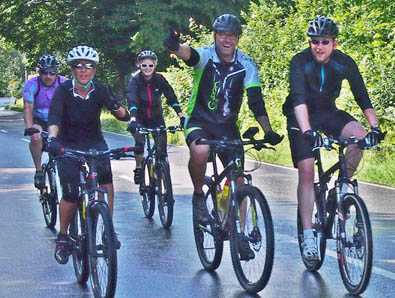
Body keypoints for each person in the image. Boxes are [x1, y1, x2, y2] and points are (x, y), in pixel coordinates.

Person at [164, 14, 282, 259]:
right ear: (215, 36)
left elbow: (256, 101)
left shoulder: (246, 64)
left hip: (227, 127)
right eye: (222, 34)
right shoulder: (206, 56)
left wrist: (268, 131)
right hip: (199, 121)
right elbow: (189, 54)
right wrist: (174, 47)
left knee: (238, 182)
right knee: (200, 150)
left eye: (231, 35)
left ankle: (236, 231)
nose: (226, 39)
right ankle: (199, 195)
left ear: (237, 38)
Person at [282, 15, 384, 261]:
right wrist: (308, 132)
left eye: (324, 41)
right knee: (307, 171)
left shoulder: (344, 62)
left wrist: (374, 128)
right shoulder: (299, 61)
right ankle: (308, 236)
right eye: (314, 41)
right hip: (300, 117)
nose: (318, 46)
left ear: (334, 43)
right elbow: (298, 99)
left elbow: (362, 97)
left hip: (328, 112)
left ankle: (342, 187)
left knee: (359, 137)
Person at [47, 45, 129, 264]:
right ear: (73, 69)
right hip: (67, 145)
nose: (84, 70)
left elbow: (121, 113)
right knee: (72, 194)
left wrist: (123, 112)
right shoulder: (63, 90)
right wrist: (53, 140)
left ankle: (107, 229)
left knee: (107, 183)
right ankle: (63, 236)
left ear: (95, 69)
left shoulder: (100, 89)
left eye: (89, 66)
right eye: (79, 66)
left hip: (95, 143)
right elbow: (54, 118)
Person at [126, 50, 185, 184]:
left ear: (155, 66)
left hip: (156, 117)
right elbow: (132, 100)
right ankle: (139, 168)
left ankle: (162, 180)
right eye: (144, 65)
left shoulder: (159, 79)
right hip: (139, 118)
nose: (147, 68)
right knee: (140, 144)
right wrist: (133, 119)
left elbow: (171, 96)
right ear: (139, 65)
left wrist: (180, 115)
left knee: (161, 152)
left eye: (150, 65)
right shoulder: (135, 80)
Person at [22, 54, 67, 188]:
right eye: (44, 72)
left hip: (59, 119)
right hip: (39, 119)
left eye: (52, 72)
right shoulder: (32, 84)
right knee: (36, 137)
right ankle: (39, 171)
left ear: (56, 72)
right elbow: (28, 108)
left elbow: (74, 104)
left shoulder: (64, 83)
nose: (48, 76)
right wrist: (30, 127)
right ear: (39, 73)